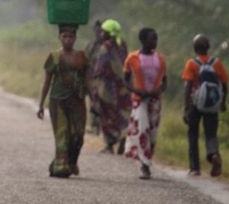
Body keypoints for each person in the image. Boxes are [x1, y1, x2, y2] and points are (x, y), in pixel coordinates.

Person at [36, 24, 89, 178]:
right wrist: (41, 104)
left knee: (78, 136)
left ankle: (71, 162)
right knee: (61, 134)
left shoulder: (81, 56)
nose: (67, 40)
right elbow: (47, 82)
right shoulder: (54, 57)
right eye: (64, 36)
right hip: (57, 101)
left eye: (71, 37)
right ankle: (60, 166)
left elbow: (88, 79)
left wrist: (93, 100)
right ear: (59, 37)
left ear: (75, 38)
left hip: (77, 101)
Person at [181, 34, 229, 177]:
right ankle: (213, 154)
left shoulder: (192, 64)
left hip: (196, 103)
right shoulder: (217, 63)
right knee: (211, 134)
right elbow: (225, 85)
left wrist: (186, 107)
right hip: (212, 104)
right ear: (208, 48)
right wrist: (223, 102)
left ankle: (195, 168)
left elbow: (188, 86)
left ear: (194, 48)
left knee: (193, 134)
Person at [123, 28, 167, 179]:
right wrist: (136, 90)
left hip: (154, 100)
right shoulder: (132, 58)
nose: (155, 41)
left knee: (152, 134)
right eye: (152, 38)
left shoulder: (160, 58)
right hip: (139, 99)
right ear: (143, 40)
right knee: (142, 130)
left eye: (156, 38)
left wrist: (158, 91)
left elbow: (164, 82)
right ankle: (144, 165)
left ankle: (147, 160)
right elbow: (126, 79)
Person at [89, 19, 131, 154]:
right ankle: (123, 137)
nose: (101, 34)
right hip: (122, 86)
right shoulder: (123, 45)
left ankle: (110, 144)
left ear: (108, 33)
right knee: (122, 113)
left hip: (107, 87)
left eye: (103, 32)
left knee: (106, 114)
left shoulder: (105, 47)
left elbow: (99, 68)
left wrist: (93, 83)